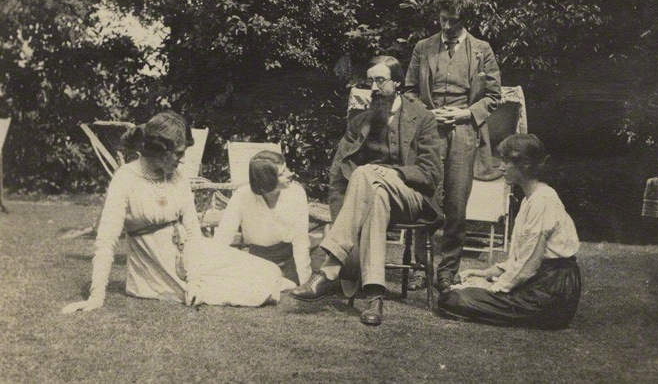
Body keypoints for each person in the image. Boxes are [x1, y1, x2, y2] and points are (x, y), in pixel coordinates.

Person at [62, 111, 294, 313]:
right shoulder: (125, 179)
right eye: (179, 153)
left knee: (269, 271)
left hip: (192, 255)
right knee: (257, 291)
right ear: (159, 151)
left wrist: (194, 280)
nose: (182, 161)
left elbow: (193, 232)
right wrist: (96, 295)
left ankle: (202, 280)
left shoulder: (178, 177)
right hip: (155, 269)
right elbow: (106, 240)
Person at [289, 56, 443, 326]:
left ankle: (328, 270)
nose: (373, 87)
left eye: (380, 80)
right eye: (369, 81)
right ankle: (374, 296)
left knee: (364, 173)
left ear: (397, 83)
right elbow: (338, 174)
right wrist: (341, 212)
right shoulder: (360, 122)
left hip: (411, 196)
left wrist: (395, 173)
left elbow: (431, 173)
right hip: (373, 197)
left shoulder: (422, 118)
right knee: (376, 196)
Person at [404, 0, 502, 292]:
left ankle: (447, 270)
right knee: (423, 198)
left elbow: (493, 96)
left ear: (465, 21)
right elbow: (408, 91)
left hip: (463, 132)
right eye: (443, 20)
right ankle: (421, 267)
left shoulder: (481, 50)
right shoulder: (424, 47)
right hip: (429, 130)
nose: (446, 27)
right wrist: (429, 115)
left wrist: (464, 114)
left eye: (453, 22)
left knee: (457, 203)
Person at [438, 134, 582, 329]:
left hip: (550, 291)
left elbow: (529, 264)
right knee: (458, 290)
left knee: (453, 299)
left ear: (525, 166)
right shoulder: (530, 198)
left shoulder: (542, 201)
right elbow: (521, 259)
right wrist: (484, 274)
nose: (501, 167)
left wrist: (491, 287)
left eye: (507, 162)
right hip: (543, 284)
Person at [214, 150, 312, 286]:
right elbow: (223, 235)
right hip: (256, 262)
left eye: (286, 168)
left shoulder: (296, 193)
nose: (290, 174)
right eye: (282, 174)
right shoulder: (242, 196)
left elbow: (301, 241)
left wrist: (305, 282)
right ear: (267, 181)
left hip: (288, 262)